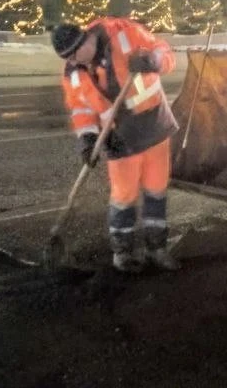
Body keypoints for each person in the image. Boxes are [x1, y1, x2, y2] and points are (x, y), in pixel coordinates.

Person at [51, 17, 179, 273]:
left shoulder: (124, 34)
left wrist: (152, 62)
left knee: (156, 190)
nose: (75, 62)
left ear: (85, 40)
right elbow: (81, 109)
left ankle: (157, 249)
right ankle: (124, 254)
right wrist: (87, 139)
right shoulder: (74, 73)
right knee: (123, 197)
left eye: (75, 54)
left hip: (153, 126)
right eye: (69, 58)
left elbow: (165, 53)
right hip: (119, 138)